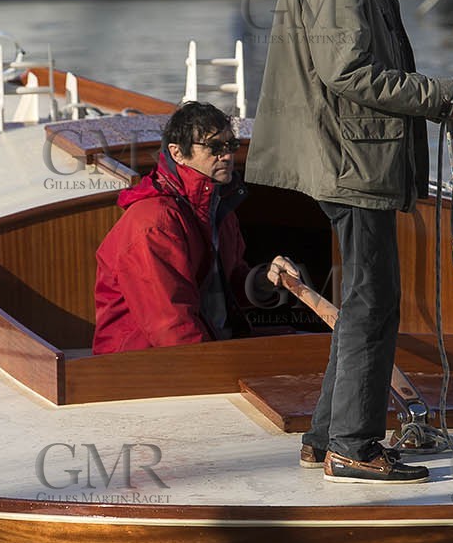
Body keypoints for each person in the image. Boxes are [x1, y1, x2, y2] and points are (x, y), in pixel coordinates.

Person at [246, 0, 453, 484]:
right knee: (374, 304)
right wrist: (434, 97)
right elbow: (347, 72)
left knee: (363, 303)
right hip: (351, 159)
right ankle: (354, 445)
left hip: (350, 153)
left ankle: (327, 438)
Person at [93, 101, 299, 355]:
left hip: (207, 350)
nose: (226, 155)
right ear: (177, 153)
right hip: (142, 367)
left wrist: (264, 279)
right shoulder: (154, 224)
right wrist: (217, 371)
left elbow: (230, 284)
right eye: (214, 147)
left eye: (230, 145)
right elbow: (171, 328)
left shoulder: (218, 208)